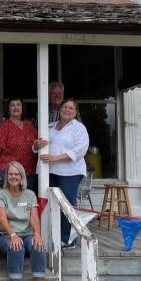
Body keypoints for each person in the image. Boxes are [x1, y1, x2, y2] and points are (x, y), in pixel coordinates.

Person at [0, 161, 49, 281]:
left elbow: (34, 218)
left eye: (16, 174)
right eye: (10, 174)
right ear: (7, 176)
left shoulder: (30, 194)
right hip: (5, 235)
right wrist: (13, 234)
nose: (13, 177)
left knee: (38, 245)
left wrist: (37, 234)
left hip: (27, 234)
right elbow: (2, 219)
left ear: (22, 176)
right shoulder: (1, 194)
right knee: (16, 246)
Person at [36, 98, 89, 248]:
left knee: (67, 205)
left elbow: (79, 150)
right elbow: (37, 146)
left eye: (71, 108)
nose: (66, 110)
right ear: (59, 110)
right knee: (50, 205)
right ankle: (52, 235)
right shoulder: (50, 126)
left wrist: (55, 158)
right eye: (64, 107)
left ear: (76, 112)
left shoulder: (79, 128)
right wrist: (36, 144)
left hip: (70, 173)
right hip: (49, 171)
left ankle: (68, 239)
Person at [0, 97, 40, 192]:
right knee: (11, 201)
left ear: (22, 108)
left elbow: (37, 145)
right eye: (12, 105)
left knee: (26, 201)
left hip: (29, 172)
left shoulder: (29, 125)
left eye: (18, 105)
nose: (16, 107)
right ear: (8, 109)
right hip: (9, 172)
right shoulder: (4, 126)